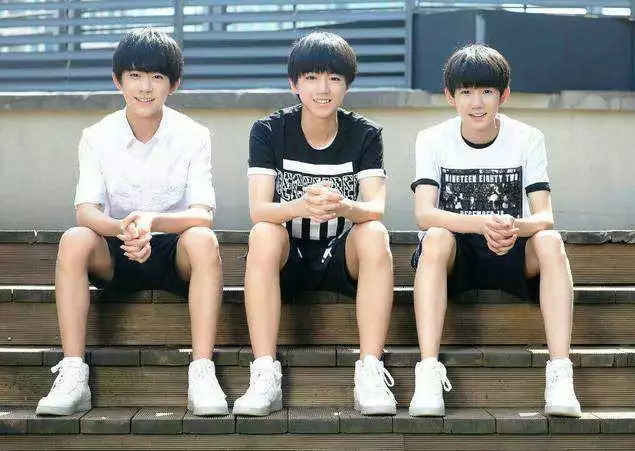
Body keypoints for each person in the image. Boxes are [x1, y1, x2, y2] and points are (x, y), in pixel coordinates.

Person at [36, 28, 227, 417]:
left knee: (204, 240)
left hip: (173, 250)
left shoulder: (194, 135)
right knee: (74, 238)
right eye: (135, 75)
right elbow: (86, 211)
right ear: (117, 80)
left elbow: (202, 215)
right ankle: (73, 374)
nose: (145, 87)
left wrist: (153, 220)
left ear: (173, 84)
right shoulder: (96, 136)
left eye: (156, 76)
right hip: (116, 247)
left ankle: (202, 372)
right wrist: (122, 228)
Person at [409, 44, 581, 418]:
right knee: (435, 236)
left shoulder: (527, 137)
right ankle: (428, 371)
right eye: (466, 92)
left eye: (487, 91)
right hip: (456, 255)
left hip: (510, 248)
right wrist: (480, 223)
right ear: (450, 96)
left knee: (550, 242)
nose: (477, 102)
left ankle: (560, 372)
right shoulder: (432, 138)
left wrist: (514, 227)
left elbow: (545, 216)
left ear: (503, 95)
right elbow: (424, 214)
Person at [233, 31, 396, 416]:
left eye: (334, 78)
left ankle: (370, 369)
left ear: (347, 85)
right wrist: (300, 206)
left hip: (340, 256)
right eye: (311, 78)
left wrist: (343, 205)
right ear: (294, 84)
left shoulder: (365, 133)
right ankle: (264, 373)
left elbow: (375, 207)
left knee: (374, 233)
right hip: (287, 256)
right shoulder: (269, 130)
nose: (323, 89)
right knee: (263, 232)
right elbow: (259, 209)